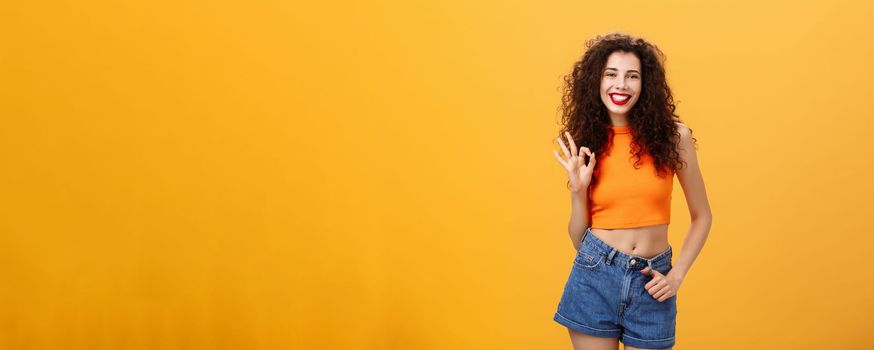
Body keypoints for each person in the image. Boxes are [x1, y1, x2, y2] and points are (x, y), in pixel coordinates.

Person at [551, 32, 713, 350]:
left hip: (653, 281)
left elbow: (702, 216)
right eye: (611, 74)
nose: (620, 85)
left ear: (645, 84)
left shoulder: (673, 137)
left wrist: (676, 276)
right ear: (596, 82)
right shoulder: (587, 141)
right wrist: (577, 190)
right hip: (594, 277)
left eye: (632, 76)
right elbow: (577, 239)